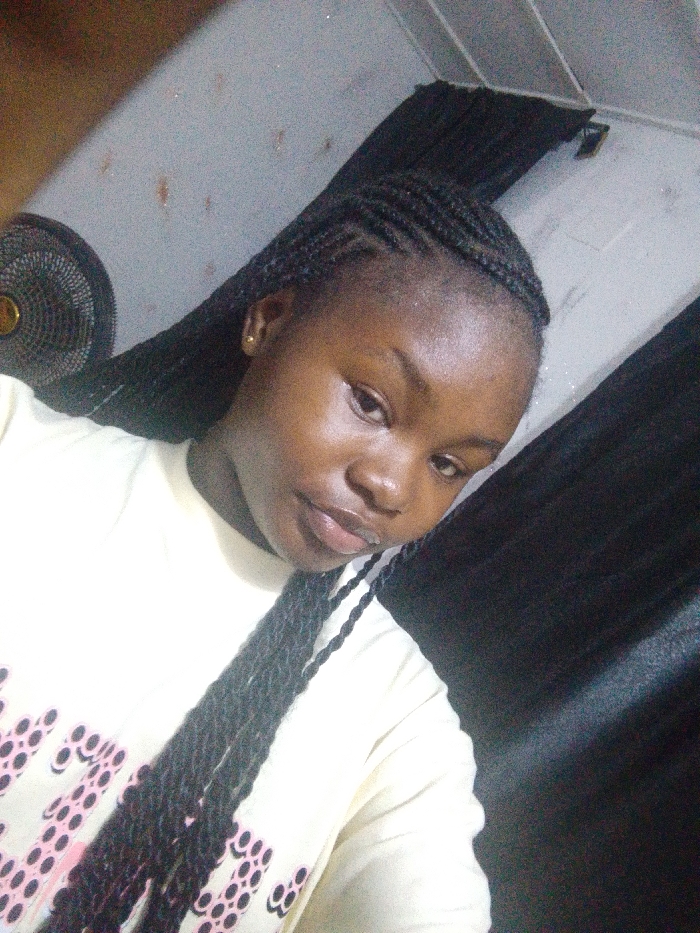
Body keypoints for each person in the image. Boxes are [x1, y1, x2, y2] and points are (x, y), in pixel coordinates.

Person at [0, 172, 549, 933]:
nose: (392, 485)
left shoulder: (397, 715)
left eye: (449, 464)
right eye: (371, 403)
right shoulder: (14, 448)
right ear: (269, 321)